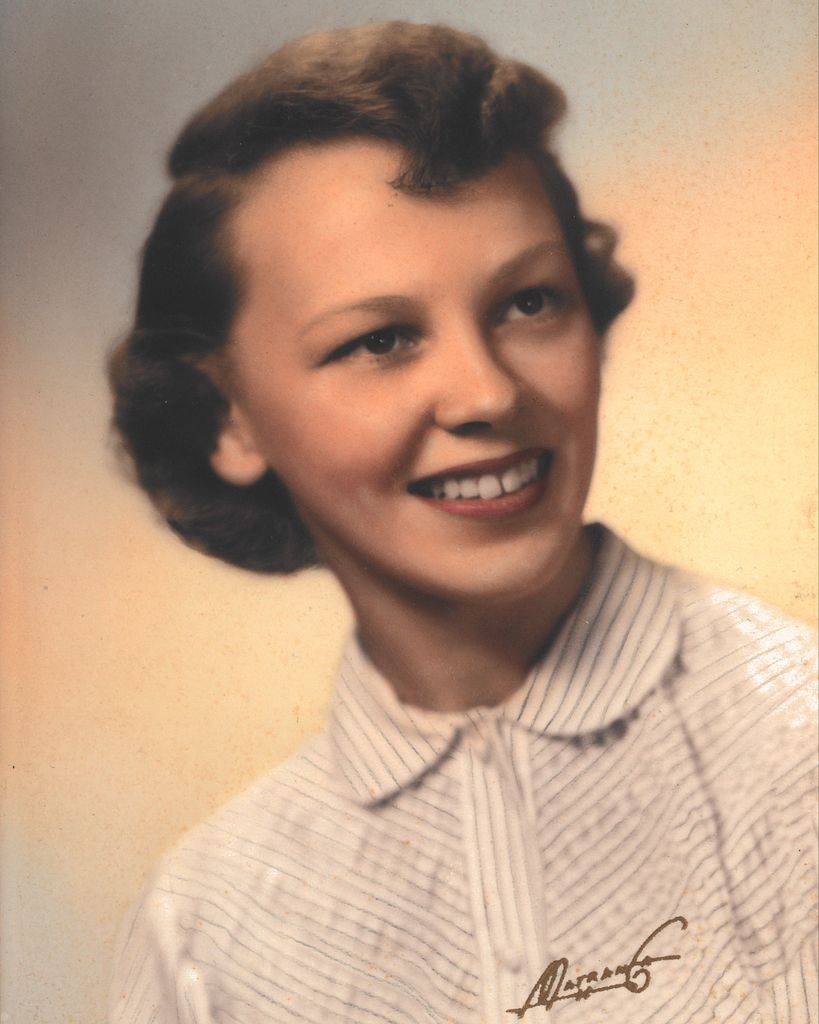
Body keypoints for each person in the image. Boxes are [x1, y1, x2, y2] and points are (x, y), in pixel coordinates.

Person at [108, 21, 817, 1024]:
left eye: (530, 303)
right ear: (228, 417)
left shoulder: (798, 751)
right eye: (380, 339)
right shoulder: (205, 926)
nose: (485, 392)